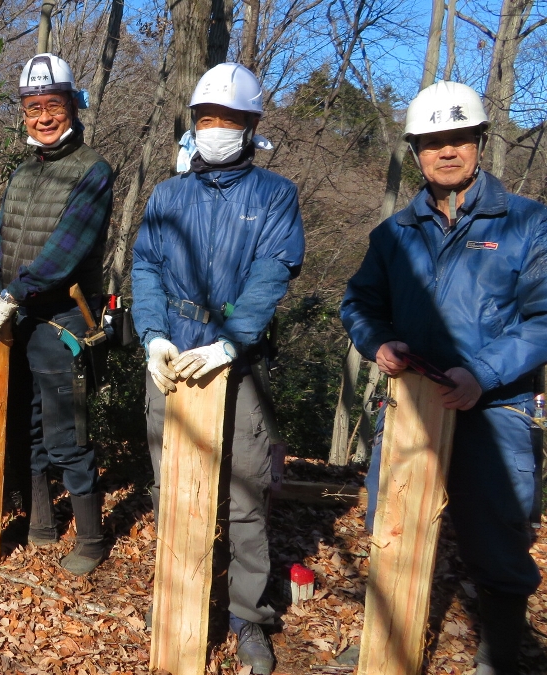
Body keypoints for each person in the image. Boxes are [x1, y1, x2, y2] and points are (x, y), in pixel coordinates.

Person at [341, 81, 547, 675]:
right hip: (412, 405)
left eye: (458, 139)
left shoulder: (528, 225)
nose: (446, 152)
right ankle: (385, 641)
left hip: (495, 406)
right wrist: (377, 341)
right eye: (432, 143)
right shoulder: (394, 234)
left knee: (499, 537)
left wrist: (481, 373)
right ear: (416, 151)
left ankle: (500, 653)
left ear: (479, 143)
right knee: (393, 527)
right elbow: (358, 302)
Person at [131, 63, 305, 674]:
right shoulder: (168, 194)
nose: (216, 130)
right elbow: (146, 266)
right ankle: (180, 595)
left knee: (246, 493)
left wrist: (231, 343)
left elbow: (272, 274)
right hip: (175, 355)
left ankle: (247, 617)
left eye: (230, 120)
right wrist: (152, 334)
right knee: (172, 484)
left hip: (240, 361)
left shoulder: (274, 195)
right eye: (207, 119)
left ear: (252, 126)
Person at [0, 53, 113, 576]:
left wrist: (12, 295)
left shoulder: (93, 169)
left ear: (74, 106)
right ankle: (40, 522)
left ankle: (93, 537)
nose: (43, 116)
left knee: (66, 430)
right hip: (17, 313)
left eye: (53, 104)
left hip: (62, 317)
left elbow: (66, 251)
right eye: (33, 107)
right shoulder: (23, 171)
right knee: (23, 425)